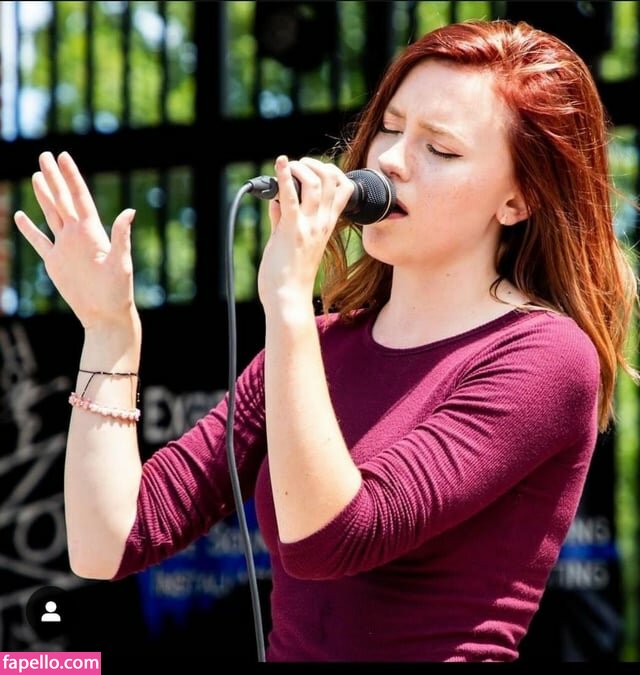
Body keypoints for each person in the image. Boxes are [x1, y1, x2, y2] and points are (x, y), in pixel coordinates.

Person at [13, 18, 639, 663]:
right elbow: (107, 542)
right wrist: (109, 330)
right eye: (390, 127)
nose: (390, 159)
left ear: (518, 199)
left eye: (440, 149)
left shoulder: (545, 355)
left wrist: (287, 299)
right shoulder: (318, 347)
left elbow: (332, 539)